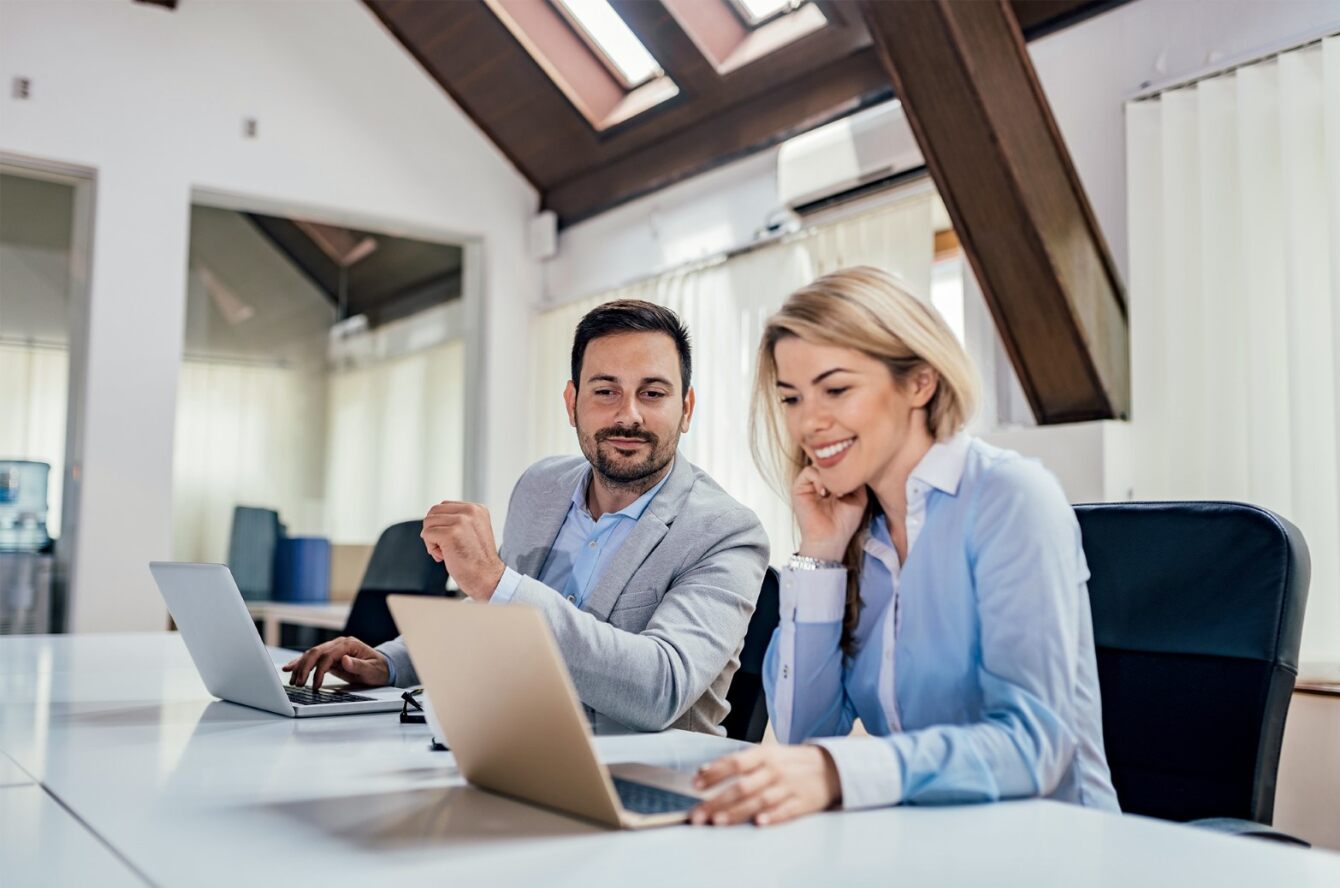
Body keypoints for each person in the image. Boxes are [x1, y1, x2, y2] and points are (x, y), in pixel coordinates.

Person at [691, 266, 1119, 825]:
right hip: (927, 843)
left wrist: (840, 771)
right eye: (791, 398)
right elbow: (805, 735)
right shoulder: (858, 530)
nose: (808, 423)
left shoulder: (1010, 499)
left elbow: (1032, 747)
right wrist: (820, 553)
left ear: (920, 382)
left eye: (836, 389)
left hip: (1053, 852)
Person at [285, 300, 769, 734]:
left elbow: (660, 688)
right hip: (506, 751)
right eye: (605, 391)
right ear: (571, 403)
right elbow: (491, 616)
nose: (629, 416)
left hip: (644, 784)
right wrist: (391, 664)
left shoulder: (725, 532)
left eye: (653, 393)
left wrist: (496, 582)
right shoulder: (540, 488)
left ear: (685, 408)